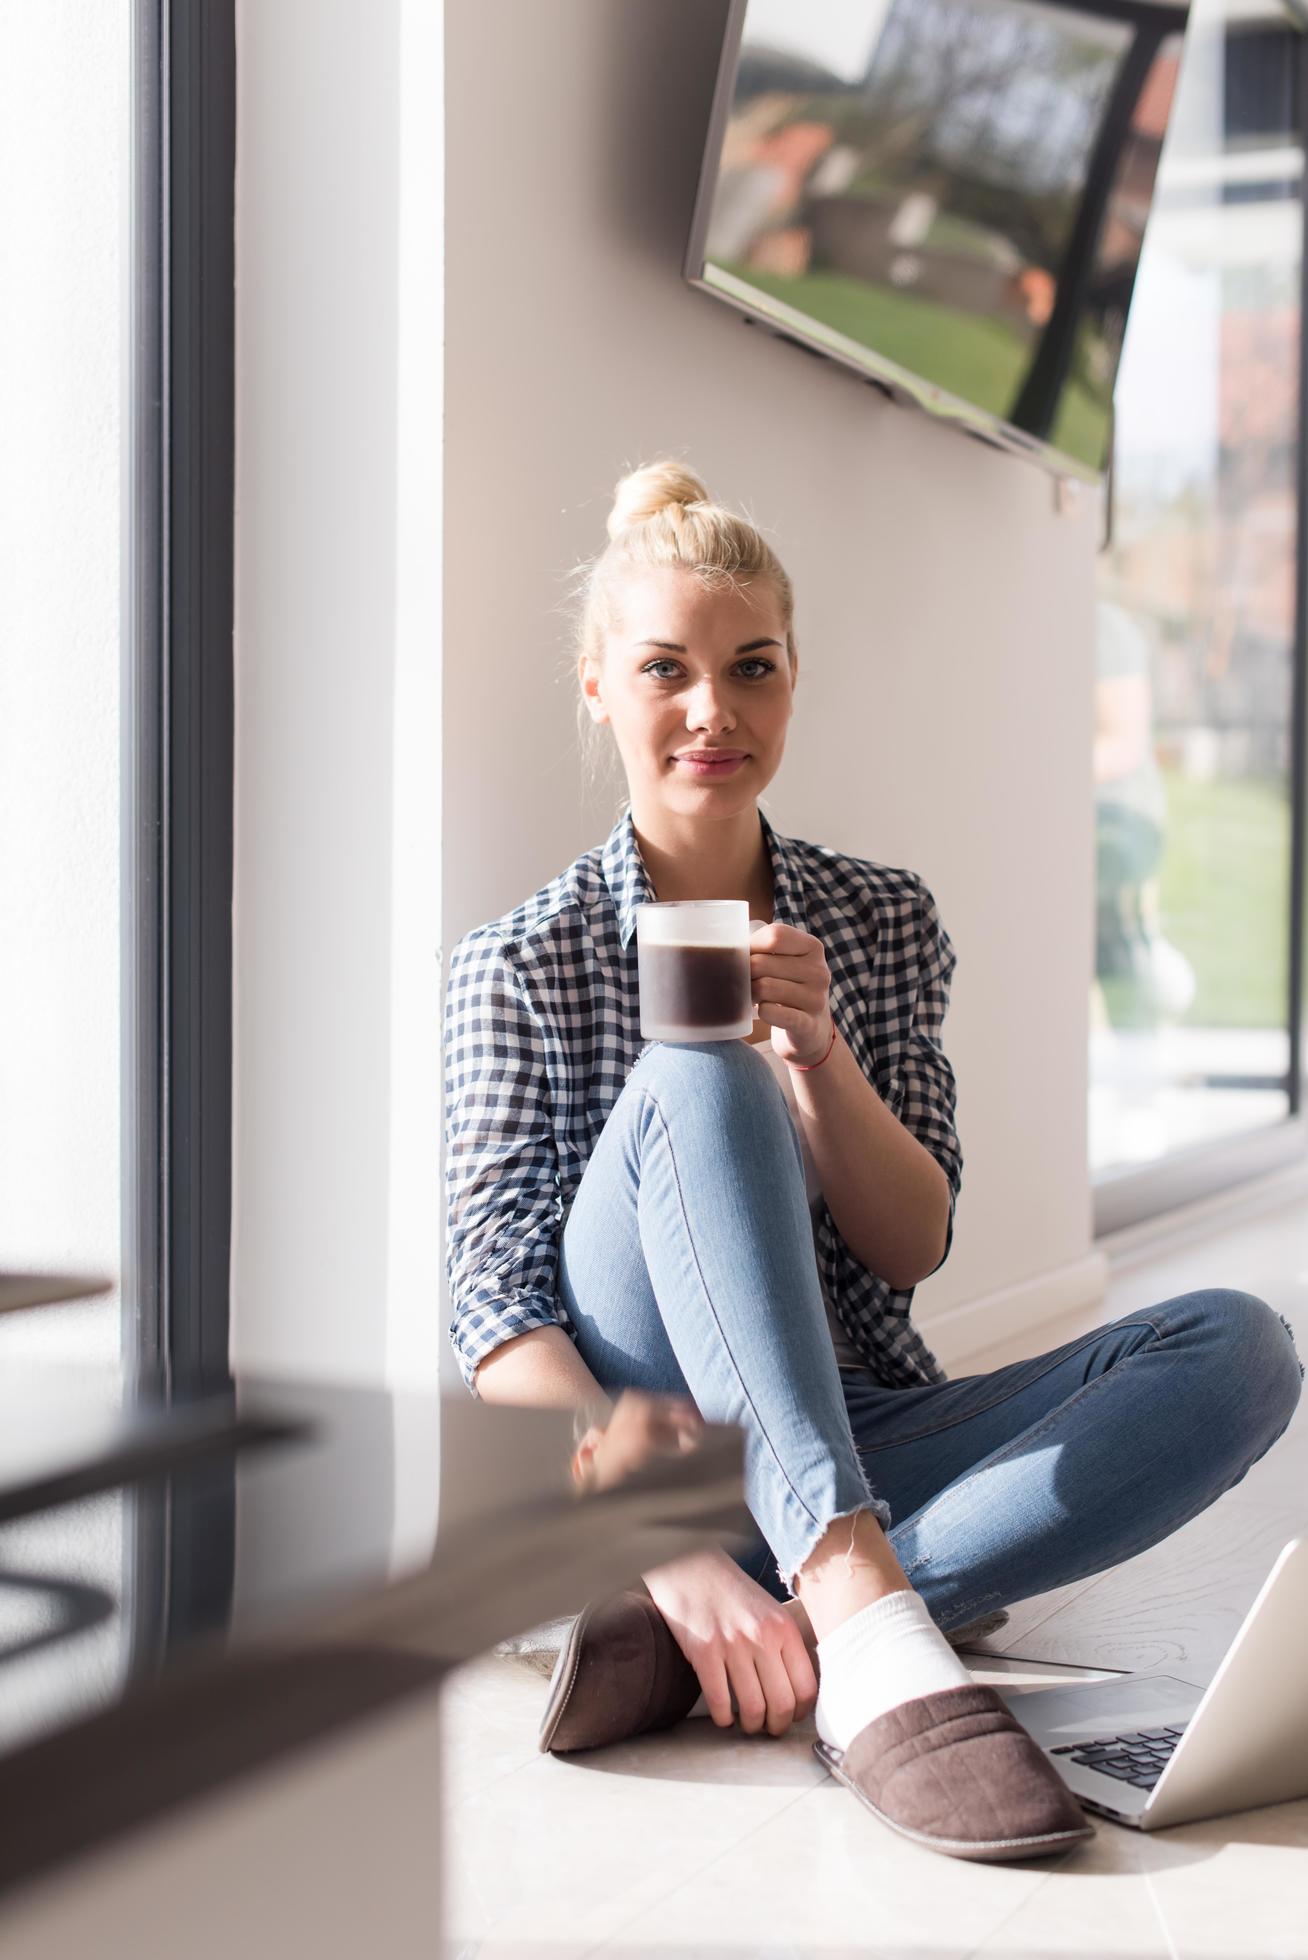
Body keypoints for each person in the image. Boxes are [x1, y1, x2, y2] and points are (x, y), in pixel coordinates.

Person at [443, 459, 1303, 1862]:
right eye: (665, 669)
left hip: (851, 1419)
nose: (713, 710)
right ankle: (854, 1613)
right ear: (597, 685)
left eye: (752, 668)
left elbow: (912, 1246)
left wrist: (822, 1061)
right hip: (651, 1426)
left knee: (1243, 1348)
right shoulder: (519, 962)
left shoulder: (881, 920)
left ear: (793, 681)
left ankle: (762, 1626)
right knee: (692, 1073)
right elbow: (496, 1327)